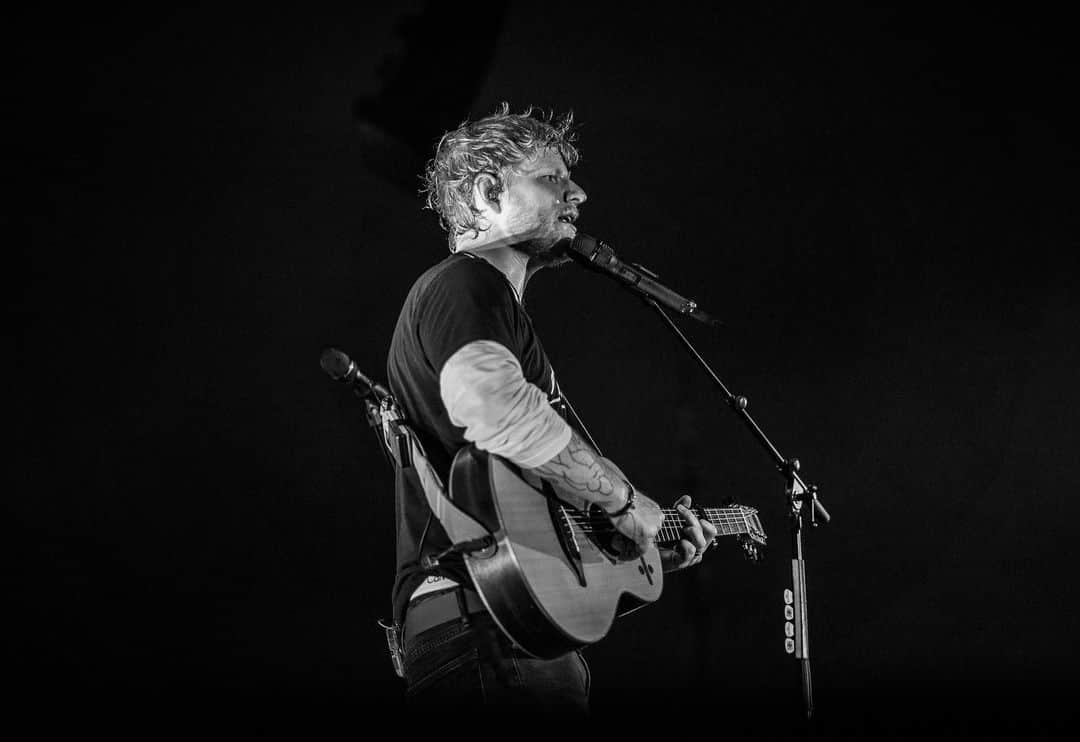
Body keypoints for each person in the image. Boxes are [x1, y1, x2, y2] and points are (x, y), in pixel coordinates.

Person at [383, 102, 717, 715]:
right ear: (487, 192)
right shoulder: (465, 284)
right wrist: (620, 499)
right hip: (484, 632)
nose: (580, 194)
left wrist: (635, 544)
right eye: (553, 179)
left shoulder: (488, 306)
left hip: (498, 630)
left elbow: (525, 501)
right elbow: (495, 408)